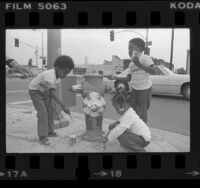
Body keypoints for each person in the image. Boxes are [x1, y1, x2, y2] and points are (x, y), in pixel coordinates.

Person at [107, 38, 156, 123]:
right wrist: (114, 77)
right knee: (133, 110)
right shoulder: (131, 64)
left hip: (145, 90)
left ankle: (142, 133)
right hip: (134, 90)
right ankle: (135, 127)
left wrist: (139, 64)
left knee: (142, 112)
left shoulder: (145, 58)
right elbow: (128, 78)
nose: (129, 51)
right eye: (128, 48)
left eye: (131, 48)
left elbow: (154, 71)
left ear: (140, 49)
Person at [28, 55, 75, 145]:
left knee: (50, 111)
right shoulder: (49, 74)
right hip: (35, 92)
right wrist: (63, 106)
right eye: (64, 72)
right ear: (57, 67)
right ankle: (42, 136)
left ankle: (49, 131)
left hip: (45, 91)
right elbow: (52, 93)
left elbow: (51, 92)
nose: (65, 76)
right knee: (43, 113)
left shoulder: (57, 79)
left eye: (67, 74)